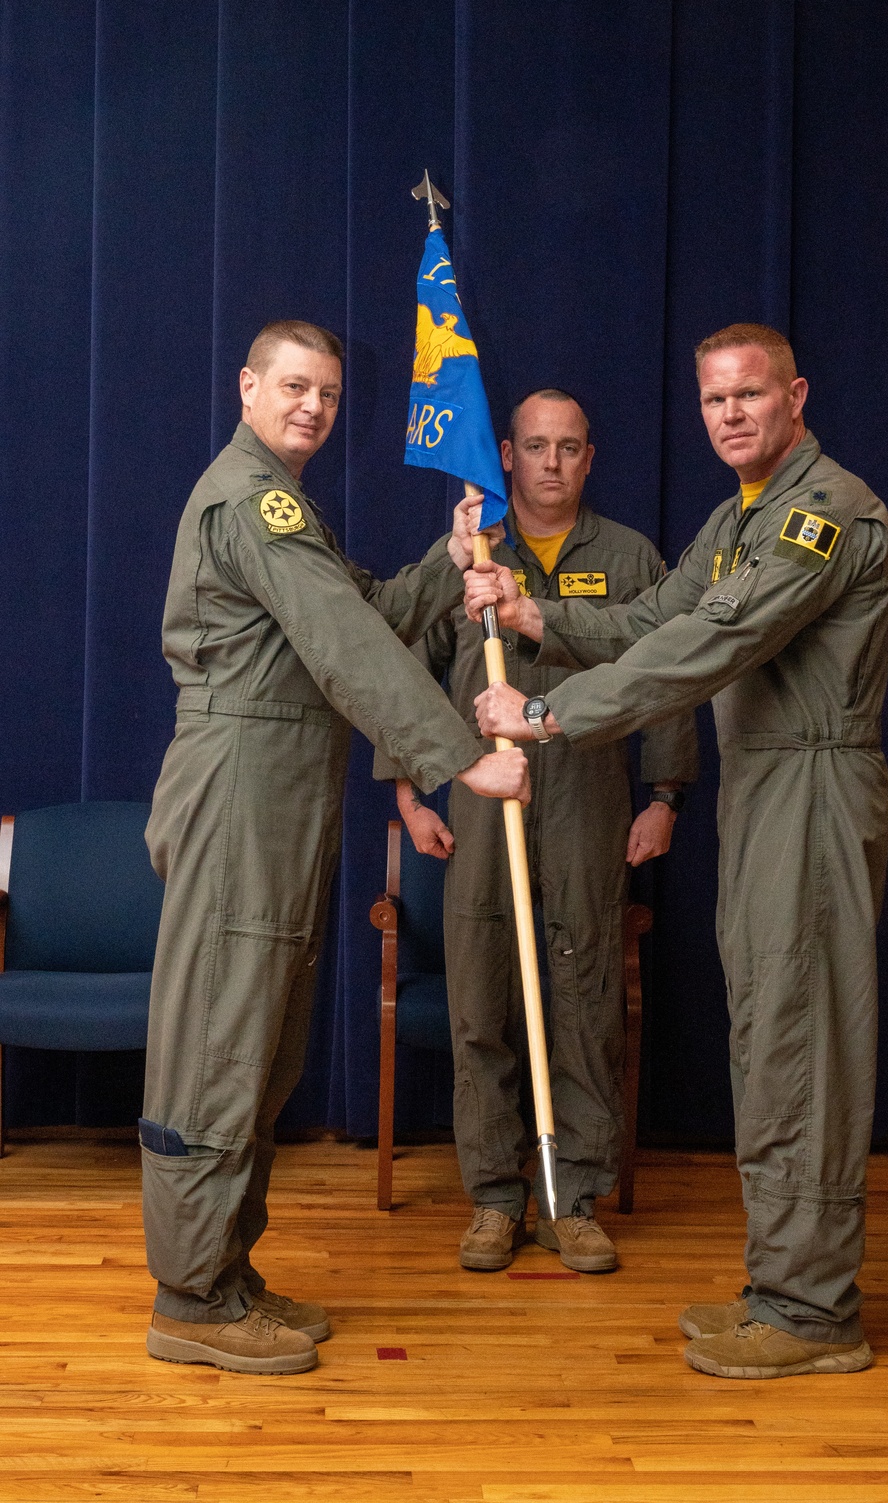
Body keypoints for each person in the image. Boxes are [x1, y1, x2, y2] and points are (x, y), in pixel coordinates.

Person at [467, 325, 888, 1379]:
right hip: (763, 789)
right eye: (713, 401)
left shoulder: (820, 513)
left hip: (810, 784)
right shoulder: (736, 517)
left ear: (794, 395)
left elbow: (709, 647)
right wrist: (537, 612)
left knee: (801, 1044)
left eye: (749, 395)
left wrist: (547, 714)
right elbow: (659, 614)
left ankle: (812, 1312)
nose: (730, 416)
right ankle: (782, 1281)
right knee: (767, 1035)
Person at [141, 319, 529, 1377]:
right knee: (224, 1036)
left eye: (327, 393)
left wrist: (444, 561)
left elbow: (363, 608)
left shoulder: (286, 507)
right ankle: (189, 1298)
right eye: (294, 386)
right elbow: (344, 641)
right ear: (248, 386)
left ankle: (223, 1271)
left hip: (278, 787)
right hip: (240, 788)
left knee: (263, 1037)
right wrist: (457, 760)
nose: (312, 406)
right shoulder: (251, 499)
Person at [375, 389, 697, 1273]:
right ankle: (492, 1194)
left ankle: (573, 1196)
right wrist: (408, 792)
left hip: (590, 800)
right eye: (534, 447)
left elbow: (666, 668)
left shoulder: (628, 557)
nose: (551, 463)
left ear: (590, 457)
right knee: (482, 999)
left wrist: (664, 793)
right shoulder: (468, 559)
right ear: (507, 457)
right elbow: (404, 673)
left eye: (568, 447)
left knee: (585, 1000)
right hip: (487, 806)